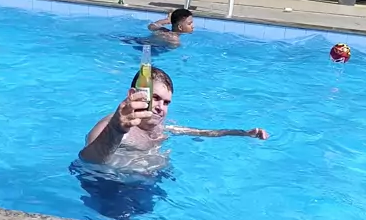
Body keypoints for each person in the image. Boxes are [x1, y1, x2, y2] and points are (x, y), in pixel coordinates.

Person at [79, 67, 268, 166]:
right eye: (155, 98)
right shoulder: (113, 127)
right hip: (113, 191)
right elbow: (88, 159)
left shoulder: (158, 126)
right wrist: (115, 129)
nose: (161, 108)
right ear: (133, 95)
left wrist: (242, 133)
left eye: (166, 102)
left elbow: (200, 132)